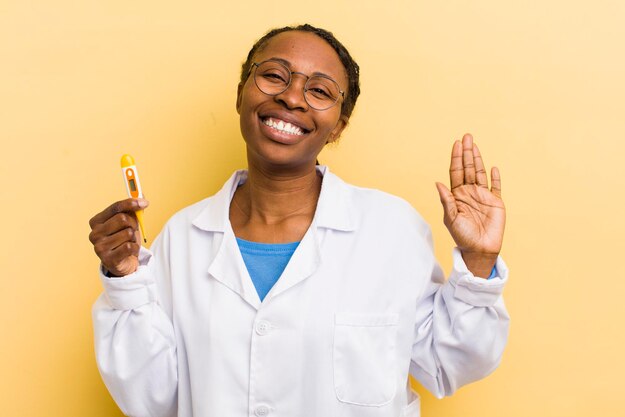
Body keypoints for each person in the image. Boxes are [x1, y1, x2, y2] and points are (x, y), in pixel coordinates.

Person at [89, 24, 509, 417]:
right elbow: (152, 399)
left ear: (338, 126)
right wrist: (125, 279)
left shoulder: (391, 230)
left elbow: (448, 363)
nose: (292, 98)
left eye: (320, 90)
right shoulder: (181, 239)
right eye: (274, 76)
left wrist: (477, 261)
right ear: (241, 94)